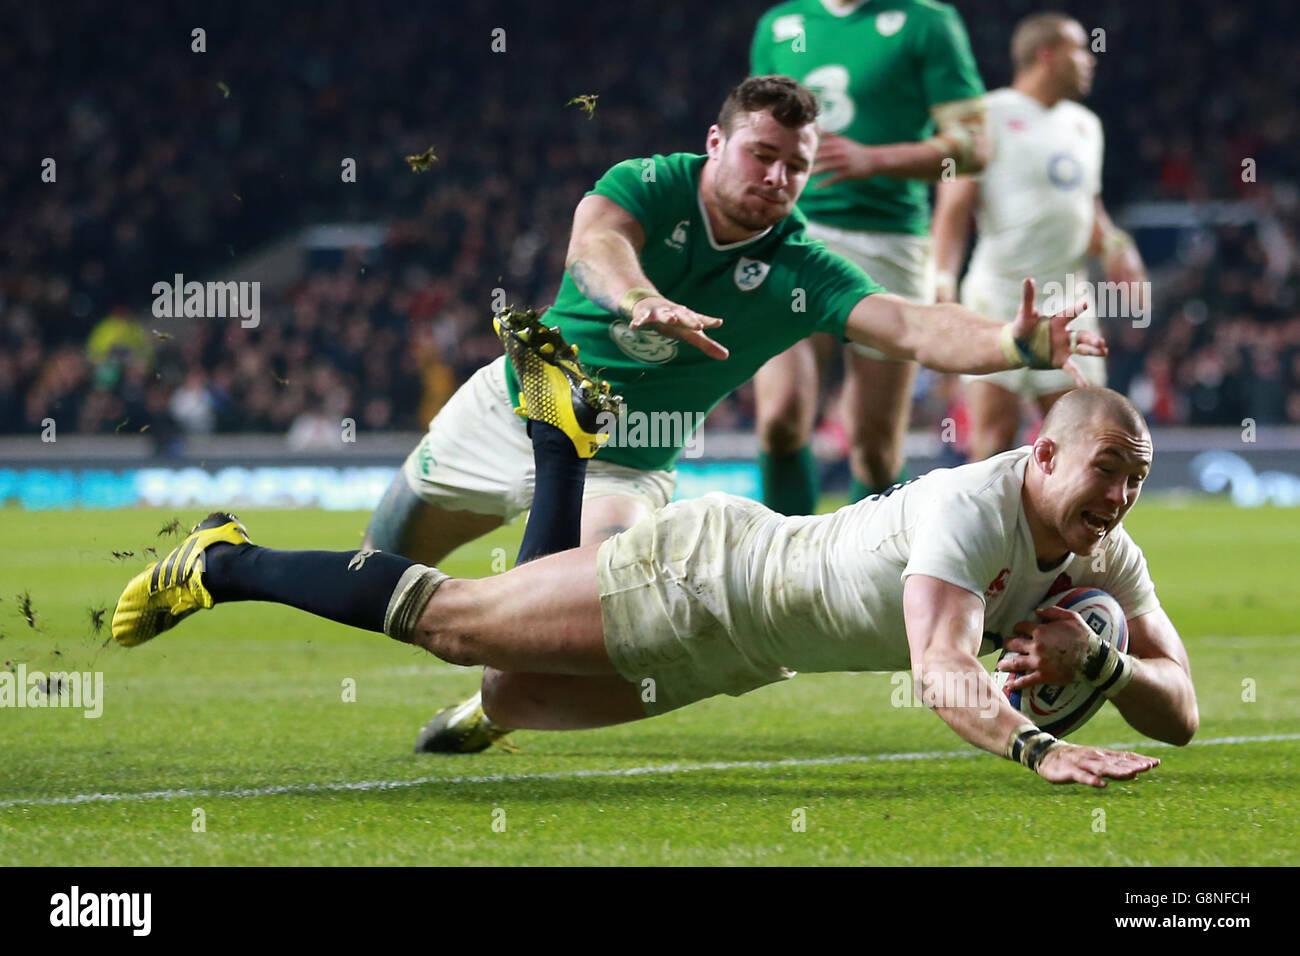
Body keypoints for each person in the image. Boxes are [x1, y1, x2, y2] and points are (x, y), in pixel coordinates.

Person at [111, 324, 1196, 789]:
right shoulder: (975, 499)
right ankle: (226, 558)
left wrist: (1103, 669)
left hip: (742, 651)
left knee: (506, 687)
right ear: (1041, 451)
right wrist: (1039, 750)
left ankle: (558, 447)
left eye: (1134, 476)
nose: (1119, 493)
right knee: (451, 623)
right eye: (1104, 467)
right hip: (709, 576)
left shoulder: (1111, 550)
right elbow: (939, 667)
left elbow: (1181, 706)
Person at [360, 74, 1101, 751]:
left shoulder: (800, 267)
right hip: (512, 407)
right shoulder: (649, 183)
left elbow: (907, 324)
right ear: (716, 143)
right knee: (385, 548)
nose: (777, 178)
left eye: (795, 166)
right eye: (761, 154)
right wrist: (637, 298)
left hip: (626, 463)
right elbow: (596, 242)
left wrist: (1010, 340)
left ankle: (495, 708)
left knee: (574, 627)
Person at [749, 0, 988, 514]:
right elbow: (754, 136)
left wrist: (874, 160)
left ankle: (867, 584)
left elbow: (972, 149)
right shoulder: (780, 25)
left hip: (889, 241)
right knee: (780, 418)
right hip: (792, 233)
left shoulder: (927, 23)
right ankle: (785, 583)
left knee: (875, 450)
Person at [931, 12, 1149, 460]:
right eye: (1080, 49)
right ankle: (992, 531)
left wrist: (1116, 247)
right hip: (998, 294)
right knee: (993, 437)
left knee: (1085, 439)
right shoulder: (985, 115)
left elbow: (1089, 210)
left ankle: (1081, 531)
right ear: (1046, 55)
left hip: (1069, 298)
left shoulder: (1087, 125)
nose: (1091, 60)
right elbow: (953, 210)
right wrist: (942, 285)